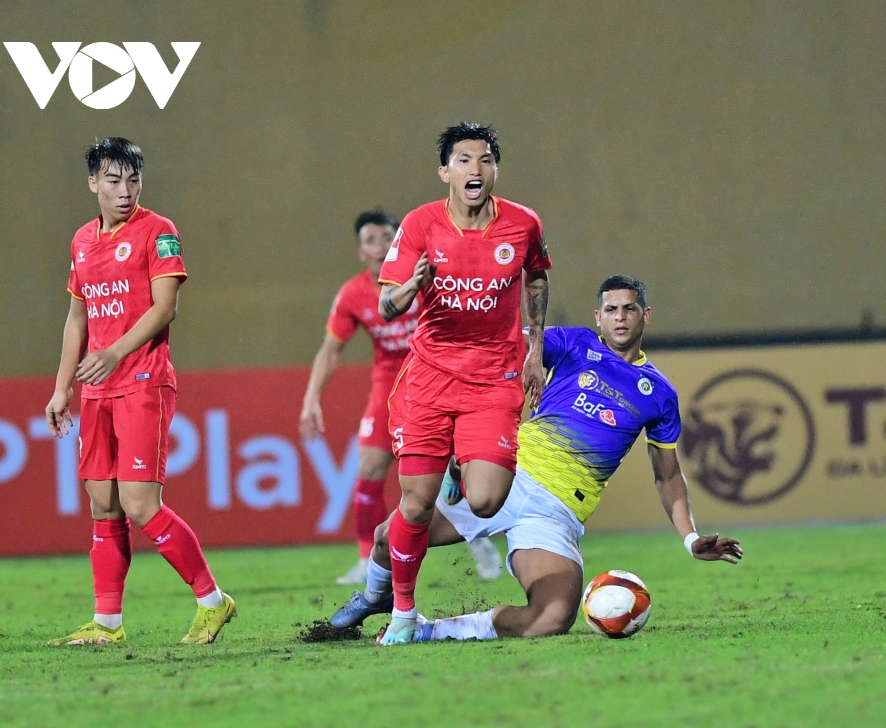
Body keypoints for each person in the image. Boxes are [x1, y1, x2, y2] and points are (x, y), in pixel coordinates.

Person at [329, 276, 743, 642]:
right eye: (611, 309)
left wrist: (690, 538)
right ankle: (373, 597)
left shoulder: (659, 393)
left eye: (629, 309)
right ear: (597, 317)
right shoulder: (575, 344)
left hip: (556, 512)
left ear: (646, 316)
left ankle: (427, 630)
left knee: (553, 616)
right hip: (510, 473)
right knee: (387, 540)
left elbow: (667, 476)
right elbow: (503, 343)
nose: (620, 317)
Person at [44, 138, 234, 646]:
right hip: (96, 389)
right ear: (92, 184)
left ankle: (213, 602)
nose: (125, 191)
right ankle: (107, 623)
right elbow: (76, 318)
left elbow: (164, 307)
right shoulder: (82, 240)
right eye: (113, 180)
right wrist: (62, 387)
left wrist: (114, 354)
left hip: (143, 380)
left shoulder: (159, 231)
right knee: (102, 502)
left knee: (139, 503)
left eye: (133, 180)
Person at [373, 122, 551, 644]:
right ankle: (404, 613)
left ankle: (459, 464)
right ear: (445, 172)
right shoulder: (420, 224)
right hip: (430, 379)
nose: (476, 169)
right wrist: (412, 285)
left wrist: (535, 349)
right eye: (465, 160)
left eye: (485, 160)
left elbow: (537, 274)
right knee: (415, 505)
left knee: (486, 501)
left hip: (494, 378)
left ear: (495, 169)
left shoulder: (522, 224)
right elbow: (387, 305)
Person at [298, 209, 502, 584]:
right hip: (390, 385)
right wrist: (311, 398)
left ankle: (477, 540)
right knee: (370, 467)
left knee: (464, 467)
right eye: (370, 241)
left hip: (439, 378)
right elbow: (331, 349)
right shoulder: (353, 294)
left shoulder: (428, 277)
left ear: (399, 242)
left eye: (386, 238)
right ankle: (366, 558)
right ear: (360, 252)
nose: (379, 247)